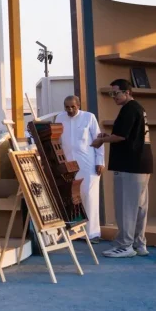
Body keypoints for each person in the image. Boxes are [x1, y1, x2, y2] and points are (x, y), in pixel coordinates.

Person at [91, 79, 153, 258]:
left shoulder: (129, 109)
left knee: (126, 207)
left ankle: (125, 245)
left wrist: (101, 140)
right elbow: (127, 135)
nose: (113, 97)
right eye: (111, 93)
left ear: (127, 92)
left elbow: (121, 136)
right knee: (139, 208)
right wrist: (108, 136)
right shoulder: (138, 108)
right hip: (141, 164)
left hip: (129, 165)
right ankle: (139, 244)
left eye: (116, 93)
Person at [55, 95, 104, 243]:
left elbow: (98, 140)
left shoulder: (89, 117)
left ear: (78, 105)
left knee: (89, 195)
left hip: (88, 163)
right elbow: (56, 140)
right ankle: (76, 231)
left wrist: (100, 161)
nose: (70, 110)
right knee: (72, 197)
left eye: (73, 107)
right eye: (67, 107)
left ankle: (93, 233)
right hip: (68, 163)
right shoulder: (60, 118)